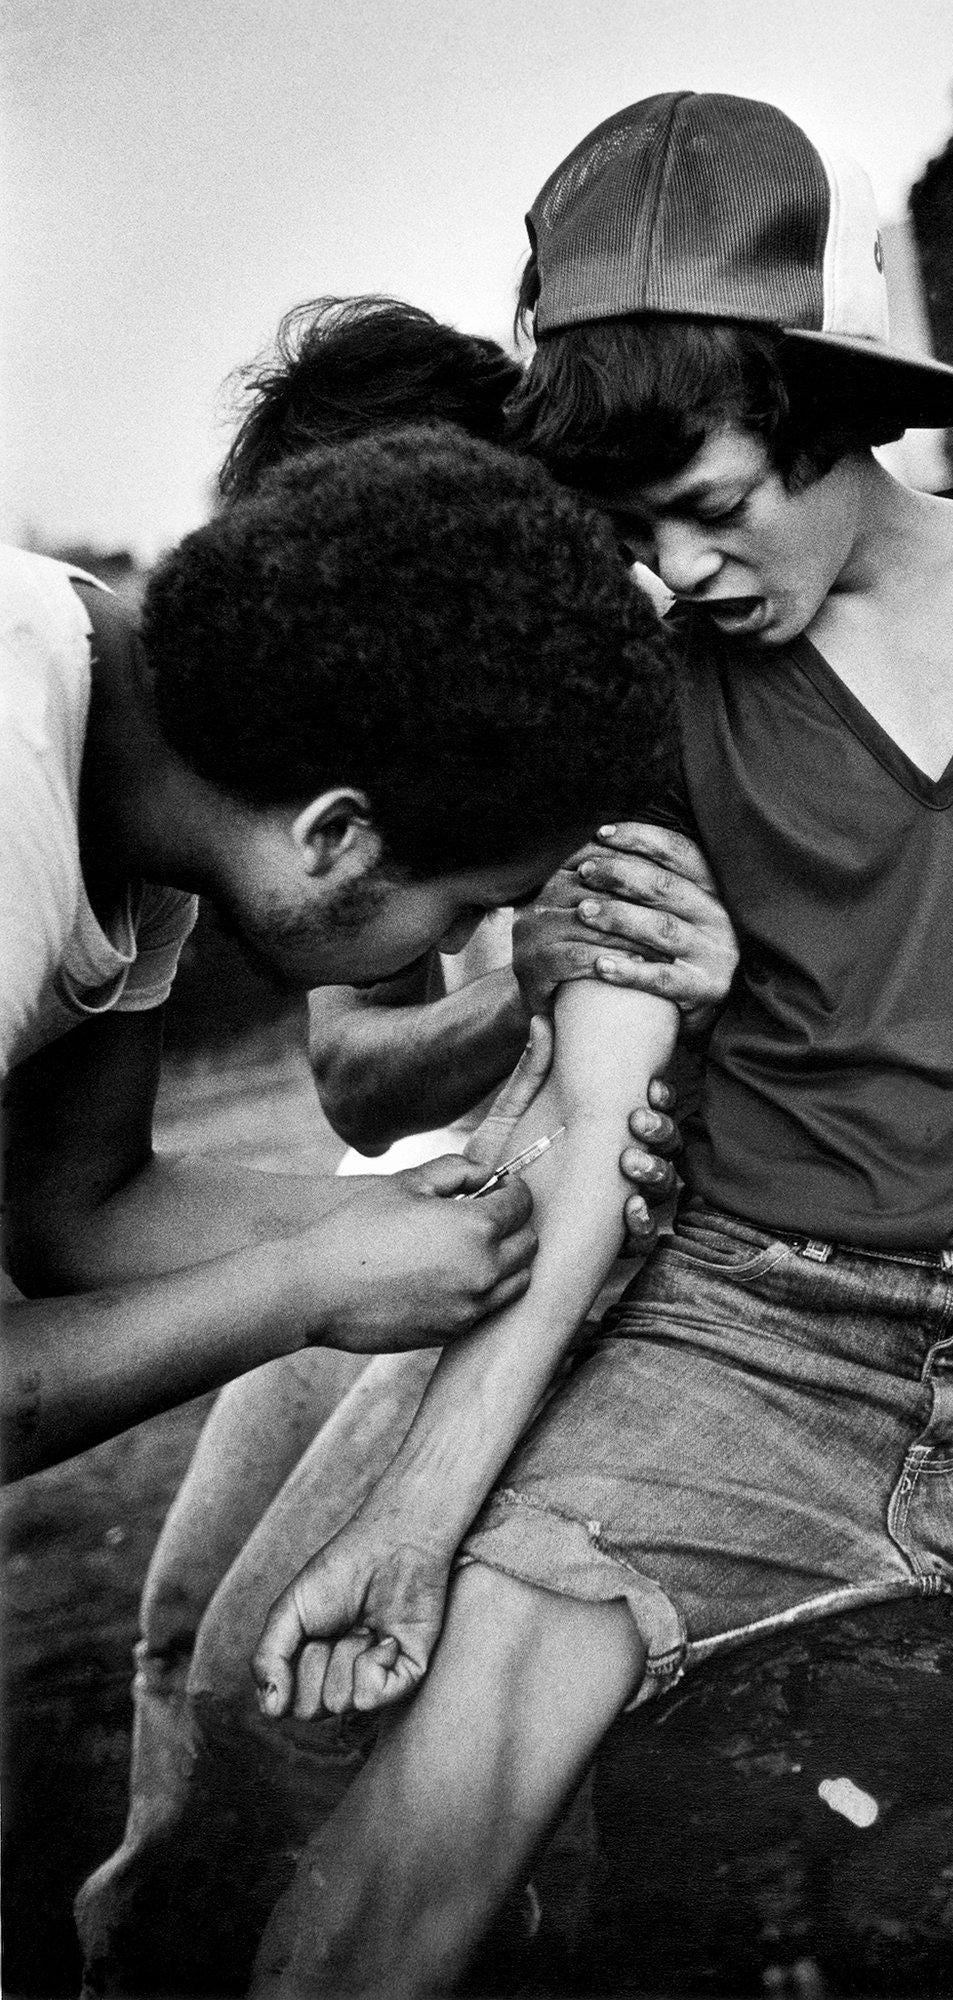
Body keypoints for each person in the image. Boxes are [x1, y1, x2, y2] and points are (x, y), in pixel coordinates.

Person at [241, 94, 953, 1999]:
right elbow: (594, 1129)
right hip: (747, 1337)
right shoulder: (661, 696)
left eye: (711, 504)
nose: (678, 570)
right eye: (632, 530)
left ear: (825, 411)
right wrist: (416, 1522)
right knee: (412, 1844)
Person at [74, 301, 739, 1994]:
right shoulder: (300, 769)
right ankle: (151, 1934)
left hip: (522, 1226)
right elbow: (357, 1080)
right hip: (422, 1203)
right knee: (192, 1630)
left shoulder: (548, 719)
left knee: (290, 1676)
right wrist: (514, 987)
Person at [0, 419, 683, 1479]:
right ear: (335, 833)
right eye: (470, 905)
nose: (462, 939)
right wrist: (307, 1286)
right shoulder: (16, 804)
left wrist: (463, 1221)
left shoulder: (147, 786)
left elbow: (81, 1218)